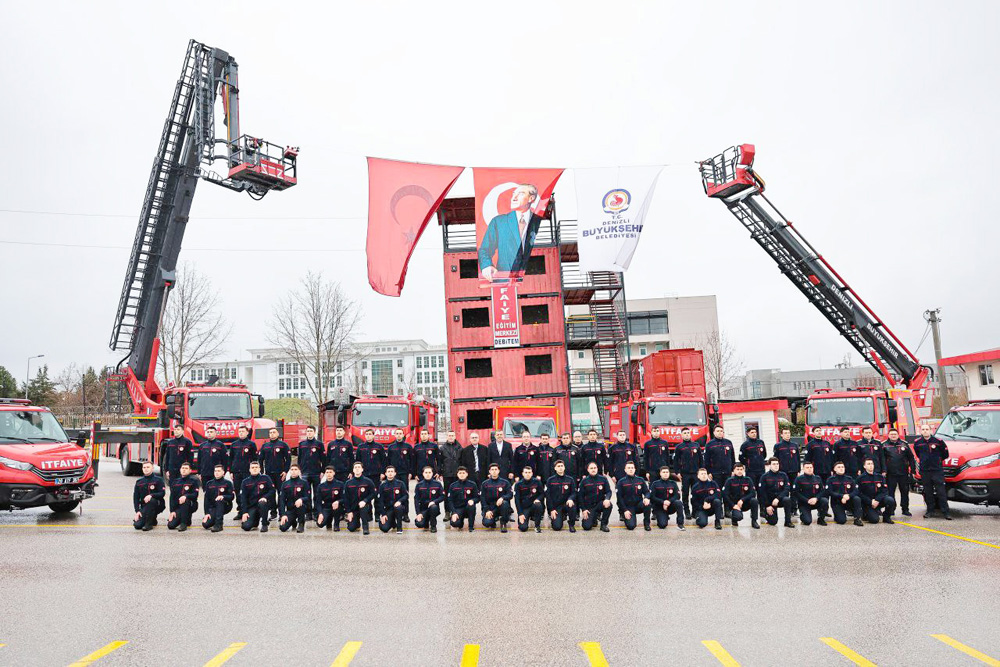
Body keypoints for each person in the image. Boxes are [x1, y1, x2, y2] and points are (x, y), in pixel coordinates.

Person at [478, 183, 542, 280]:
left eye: (520, 194)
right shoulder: (498, 222)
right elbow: (484, 249)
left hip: (530, 281)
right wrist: (487, 265)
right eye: (513, 194)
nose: (514, 198)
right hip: (504, 281)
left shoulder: (537, 221)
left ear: (531, 198)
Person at [913, 423, 951, 520]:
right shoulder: (917, 442)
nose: (925, 431)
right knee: (928, 492)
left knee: (941, 492)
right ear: (921, 431)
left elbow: (945, 454)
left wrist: (937, 461)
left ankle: (946, 512)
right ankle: (930, 511)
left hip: (937, 470)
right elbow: (918, 454)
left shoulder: (938, 441)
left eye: (927, 429)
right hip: (925, 471)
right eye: (923, 429)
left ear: (931, 431)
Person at [259, 427, 291, 520]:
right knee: (271, 494)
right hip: (269, 474)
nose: (272, 434)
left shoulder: (283, 445)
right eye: (270, 432)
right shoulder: (265, 446)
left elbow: (288, 459)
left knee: (281, 494)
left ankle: (282, 513)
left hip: (280, 474)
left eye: (274, 432)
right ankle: (273, 513)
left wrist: (285, 471)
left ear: (278, 434)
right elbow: (260, 459)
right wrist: (262, 472)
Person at [883, 428, 915, 516]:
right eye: (891, 434)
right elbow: (882, 459)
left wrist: (912, 471)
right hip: (890, 474)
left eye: (895, 434)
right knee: (890, 493)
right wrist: (884, 471)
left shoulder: (904, 444)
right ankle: (891, 509)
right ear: (888, 435)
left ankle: (905, 509)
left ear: (898, 435)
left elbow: (911, 458)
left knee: (904, 492)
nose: (893, 436)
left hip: (903, 473)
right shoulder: (884, 445)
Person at [296, 426, 325, 520]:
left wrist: (322, 471)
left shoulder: (319, 444)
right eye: (308, 431)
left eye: (311, 431)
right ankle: (308, 513)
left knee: (317, 494)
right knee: (306, 494)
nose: (309, 432)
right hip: (305, 472)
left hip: (316, 472)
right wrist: (299, 470)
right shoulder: (302, 444)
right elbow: (299, 459)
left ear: (314, 432)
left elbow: (323, 459)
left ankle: (316, 513)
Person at [229, 425, 258, 520]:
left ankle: (249, 511)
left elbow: (255, 459)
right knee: (238, 492)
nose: (241, 433)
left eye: (243, 431)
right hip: (236, 472)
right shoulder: (234, 444)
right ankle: (240, 511)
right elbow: (231, 459)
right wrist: (231, 471)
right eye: (240, 431)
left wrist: (253, 471)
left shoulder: (251, 444)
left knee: (248, 491)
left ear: (247, 433)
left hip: (247, 472)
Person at [672, 427, 703, 516]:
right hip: (685, 474)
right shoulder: (679, 447)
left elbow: (701, 459)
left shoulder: (696, 445)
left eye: (688, 433)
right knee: (685, 494)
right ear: (682, 435)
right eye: (685, 433)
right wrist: (677, 472)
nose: (686, 434)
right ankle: (687, 511)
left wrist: (701, 470)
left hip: (695, 473)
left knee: (696, 493)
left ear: (690, 434)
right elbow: (676, 461)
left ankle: (695, 511)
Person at [758, 457, 795, 528]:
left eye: (777, 464)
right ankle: (766, 514)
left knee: (787, 500)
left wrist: (778, 498)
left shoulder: (783, 475)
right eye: (774, 464)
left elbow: (787, 489)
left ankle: (788, 521)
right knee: (773, 522)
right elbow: (762, 493)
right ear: (769, 465)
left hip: (780, 499)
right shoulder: (764, 477)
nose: (776, 466)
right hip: (770, 502)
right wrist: (767, 505)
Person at [857, 458, 896, 524]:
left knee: (890, 500)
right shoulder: (860, 478)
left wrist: (877, 500)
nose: (871, 465)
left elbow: (885, 491)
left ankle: (886, 517)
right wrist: (870, 502)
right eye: (868, 464)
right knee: (874, 520)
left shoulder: (880, 477)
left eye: (872, 464)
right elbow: (859, 493)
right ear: (864, 466)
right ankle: (865, 513)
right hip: (868, 503)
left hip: (878, 501)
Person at [615, 460, 651, 531]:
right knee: (631, 526)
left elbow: (647, 492)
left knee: (648, 504)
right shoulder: (621, 482)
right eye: (628, 468)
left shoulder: (640, 480)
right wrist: (625, 510)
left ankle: (647, 524)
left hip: (638, 505)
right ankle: (626, 516)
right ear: (625, 470)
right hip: (628, 507)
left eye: (632, 468)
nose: (630, 469)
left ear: (635, 469)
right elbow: (619, 499)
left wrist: (646, 498)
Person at [577, 461, 613, 532]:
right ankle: (594, 518)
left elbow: (609, 491)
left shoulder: (603, 479)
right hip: (589, 507)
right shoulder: (584, 481)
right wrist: (583, 509)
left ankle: (603, 525)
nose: (593, 469)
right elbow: (580, 496)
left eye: (595, 468)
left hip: (600, 504)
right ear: (588, 470)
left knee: (609, 505)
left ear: (597, 469)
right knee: (587, 527)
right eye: (591, 468)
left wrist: (607, 499)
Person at [240, 460, 275, 533]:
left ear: (260, 469)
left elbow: (272, 490)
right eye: (252, 468)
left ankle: (264, 524)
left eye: (256, 467)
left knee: (262, 503)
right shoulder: (245, 482)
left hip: (264, 504)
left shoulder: (266, 478)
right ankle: (255, 521)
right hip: (252, 506)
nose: (254, 469)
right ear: (249, 470)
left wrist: (265, 497)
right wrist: (244, 512)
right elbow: (243, 498)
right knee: (246, 527)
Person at [826, 461, 864, 526]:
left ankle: (857, 519)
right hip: (837, 502)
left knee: (857, 498)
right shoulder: (831, 479)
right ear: (834, 469)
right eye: (839, 467)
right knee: (841, 521)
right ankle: (837, 515)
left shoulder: (849, 479)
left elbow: (856, 491)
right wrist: (842, 496)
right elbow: (829, 492)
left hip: (848, 501)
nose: (841, 468)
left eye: (842, 467)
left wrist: (849, 496)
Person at [722, 463, 760, 529]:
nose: (739, 471)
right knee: (738, 517)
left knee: (754, 500)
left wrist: (742, 500)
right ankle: (734, 520)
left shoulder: (748, 480)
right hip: (735, 505)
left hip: (745, 503)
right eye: (738, 469)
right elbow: (725, 495)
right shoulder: (729, 481)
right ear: (734, 471)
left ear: (744, 470)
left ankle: (754, 521)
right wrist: (733, 505)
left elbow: (753, 493)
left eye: (741, 469)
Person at [546, 459, 578, 532]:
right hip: (556, 507)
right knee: (557, 527)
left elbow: (574, 492)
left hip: (567, 504)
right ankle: (560, 516)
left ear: (564, 467)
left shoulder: (570, 479)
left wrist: (570, 499)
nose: (560, 467)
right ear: (555, 468)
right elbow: (548, 497)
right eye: (558, 466)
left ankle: (571, 524)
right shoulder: (550, 480)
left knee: (572, 505)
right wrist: (551, 510)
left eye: (561, 466)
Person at [344, 461, 376, 534]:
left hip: (365, 506)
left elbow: (374, 493)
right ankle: (356, 523)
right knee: (351, 528)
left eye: (359, 467)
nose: (357, 469)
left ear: (362, 469)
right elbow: (346, 498)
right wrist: (349, 512)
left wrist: (365, 500)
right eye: (355, 467)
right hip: (353, 508)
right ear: (353, 470)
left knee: (363, 507)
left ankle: (365, 527)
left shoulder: (368, 481)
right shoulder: (348, 483)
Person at [649, 465, 685, 530]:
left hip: (670, 506)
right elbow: (652, 497)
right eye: (664, 472)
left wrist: (669, 501)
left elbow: (677, 495)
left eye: (667, 472)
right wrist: (663, 502)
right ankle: (662, 516)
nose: (665, 474)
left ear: (669, 473)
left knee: (679, 503)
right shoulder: (655, 484)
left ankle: (680, 524)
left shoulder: (673, 483)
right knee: (662, 525)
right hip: (660, 507)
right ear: (660, 473)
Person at [480, 463, 514, 532]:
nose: (494, 471)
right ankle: (493, 521)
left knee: (505, 503)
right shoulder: (485, 484)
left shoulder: (505, 482)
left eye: (496, 469)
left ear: (499, 471)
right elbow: (482, 498)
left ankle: (503, 522)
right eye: (492, 470)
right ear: (489, 471)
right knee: (487, 523)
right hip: (490, 508)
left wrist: (502, 498)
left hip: (501, 506)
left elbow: (510, 494)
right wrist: (487, 510)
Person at [201, 464, 235, 532]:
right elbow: (206, 499)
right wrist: (207, 513)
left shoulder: (228, 483)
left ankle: (219, 525)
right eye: (215, 471)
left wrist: (223, 496)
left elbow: (232, 496)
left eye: (219, 471)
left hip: (225, 505)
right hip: (213, 507)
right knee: (206, 524)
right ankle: (214, 518)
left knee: (219, 501)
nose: (216, 473)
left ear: (223, 472)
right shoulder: (209, 483)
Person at [132, 460, 165, 531]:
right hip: (144, 506)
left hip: (157, 504)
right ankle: (152, 519)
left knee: (151, 501)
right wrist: (137, 511)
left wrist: (151, 495)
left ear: (152, 468)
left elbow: (162, 493)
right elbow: (136, 497)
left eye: (148, 467)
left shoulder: (158, 480)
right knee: (137, 525)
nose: (146, 469)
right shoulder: (139, 482)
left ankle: (149, 524)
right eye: (144, 467)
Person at [794, 461, 829, 526]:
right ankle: (803, 515)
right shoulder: (799, 479)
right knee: (807, 522)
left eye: (811, 467)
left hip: (815, 501)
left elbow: (822, 491)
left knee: (825, 501)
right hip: (804, 503)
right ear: (803, 469)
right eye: (807, 468)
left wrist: (816, 498)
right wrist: (807, 500)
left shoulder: (818, 478)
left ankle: (821, 519)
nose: (809, 469)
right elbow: (796, 493)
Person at [279, 464, 311, 533]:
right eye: (292, 470)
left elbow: (307, 497)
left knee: (300, 505)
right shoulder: (285, 484)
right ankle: (293, 521)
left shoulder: (304, 483)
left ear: (299, 471)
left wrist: (301, 499)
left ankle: (301, 523)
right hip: (291, 509)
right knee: (282, 528)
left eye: (296, 469)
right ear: (289, 471)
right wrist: (283, 515)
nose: (293, 471)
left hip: (301, 507)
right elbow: (282, 500)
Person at [167, 462, 199, 531]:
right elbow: (172, 498)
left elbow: (195, 495)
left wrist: (186, 496)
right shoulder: (175, 482)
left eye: (186, 468)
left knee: (185, 501)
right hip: (178, 507)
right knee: (171, 525)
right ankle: (186, 519)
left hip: (190, 504)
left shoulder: (194, 481)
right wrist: (172, 511)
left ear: (190, 470)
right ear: (180, 470)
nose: (184, 470)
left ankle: (183, 523)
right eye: (182, 468)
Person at [377, 464, 409, 534]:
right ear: (385, 473)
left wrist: (399, 501)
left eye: (392, 471)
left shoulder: (400, 483)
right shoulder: (382, 485)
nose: (390, 473)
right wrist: (383, 514)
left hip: (399, 507)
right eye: (388, 471)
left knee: (398, 508)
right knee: (384, 528)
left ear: (395, 473)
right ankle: (392, 523)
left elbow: (406, 496)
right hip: (389, 509)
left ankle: (399, 527)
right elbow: (380, 501)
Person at [704, 425, 736, 494]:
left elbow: (732, 457)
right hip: (716, 473)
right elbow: (706, 459)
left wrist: (733, 470)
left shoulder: (728, 442)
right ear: (714, 433)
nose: (720, 432)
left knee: (728, 492)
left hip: (727, 472)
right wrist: (708, 472)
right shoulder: (709, 444)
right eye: (718, 431)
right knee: (717, 492)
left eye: (721, 431)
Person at [514, 465, 545, 533]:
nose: (527, 474)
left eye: (529, 472)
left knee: (538, 505)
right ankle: (525, 519)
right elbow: (517, 500)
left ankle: (537, 526)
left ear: (532, 473)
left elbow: (542, 494)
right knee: (523, 528)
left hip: (534, 506)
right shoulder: (518, 484)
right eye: (526, 472)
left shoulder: (537, 482)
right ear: (523, 473)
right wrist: (520, 514)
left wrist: (538, 499)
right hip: (525, 508)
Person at [414, 466, 445, 533]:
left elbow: (442, 496)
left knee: (433, 507)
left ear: (432, 473)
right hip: (423, 509)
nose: (428, 474)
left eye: (429, 472)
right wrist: (418, 513)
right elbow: (416, 500)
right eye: (426, 472)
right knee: (419, 524)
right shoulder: (419, 485)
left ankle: (433, 525)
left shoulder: (437, 484)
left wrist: (434, 502)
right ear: (423, 474)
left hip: (434, 508)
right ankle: (426, 520)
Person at [314, 466, 346, 531]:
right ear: (325, 473)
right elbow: (318, 502)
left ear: (334, 473)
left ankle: (336, 524)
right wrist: (320, 513)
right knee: (320, 524)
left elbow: (344, 498)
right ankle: (328, 521)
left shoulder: (340, 484)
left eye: (330, 472)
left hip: (337, 506)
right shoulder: (321, 486)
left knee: (336, 507)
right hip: (326, 507)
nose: (329, 474)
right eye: (327, 472)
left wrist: (338, 501)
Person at [448, 467, 479, 532]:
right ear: (457, 474)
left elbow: (477, 498)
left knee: (471, 506)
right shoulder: (453, 486)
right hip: (458, 508)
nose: (462, 475)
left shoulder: (472, 484)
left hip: (468, 508)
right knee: (455, 523)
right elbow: (450, 501)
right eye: (460, 473)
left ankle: (471, 526)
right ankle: (460, 522)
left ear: (467, 474)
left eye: (463, 473)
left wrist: (473, 500)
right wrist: (454, 512)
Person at [439, 431, 462, 514]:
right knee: (447, 494)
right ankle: (447, 512)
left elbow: (462, 461)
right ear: (447, 437)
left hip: (457, 475)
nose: (451, 437)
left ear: (455, 436)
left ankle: (456, 511)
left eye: (452, 435)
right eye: (449, 435)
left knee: (457, 493)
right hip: (447, 474)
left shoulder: (460, 448)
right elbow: (440, 462)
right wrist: (440, 473)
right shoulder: (442, 448)